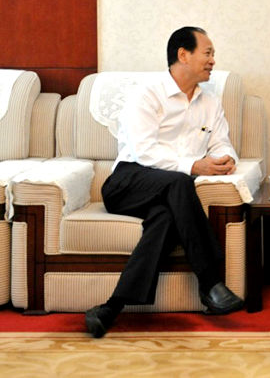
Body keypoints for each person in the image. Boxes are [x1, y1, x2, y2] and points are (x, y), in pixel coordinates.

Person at [85, 26, 244, 338]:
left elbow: (221, 143)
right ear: (183, 55)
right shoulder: (147, 94)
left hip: (169, 192)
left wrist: (225, 159)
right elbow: (144, 152)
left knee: (166, 218)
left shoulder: (210, 102)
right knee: (180, 182)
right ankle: (210, 282)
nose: (213, 60)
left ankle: (110, 308)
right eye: (208, 53)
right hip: (128, 182)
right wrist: (194, 165)